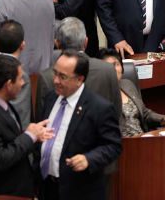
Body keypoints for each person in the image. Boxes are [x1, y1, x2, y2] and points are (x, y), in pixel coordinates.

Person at [38, 50, 122, 200]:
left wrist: (89, 159)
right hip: (48, 188)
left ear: (79, 79)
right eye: (55, 73)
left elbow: (113, 145)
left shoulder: (99, 108)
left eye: (62, 77)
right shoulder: (51, 98)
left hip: (79, 190)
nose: (55, 80)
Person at [0, 54, 54, 198]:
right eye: (20, 78)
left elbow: (8, 139)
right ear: (8, 85)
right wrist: (29, 136)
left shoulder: (0, 103)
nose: (23, 83)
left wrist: (33, 135)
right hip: (1, 195)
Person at [35, 17, 121, 121]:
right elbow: (117, 113)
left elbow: (41, 122)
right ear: (86, 42)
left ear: (57, 43)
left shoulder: (46, 77)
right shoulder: (108, 70)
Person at [99, 48, 165, 137]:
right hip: (121, 143)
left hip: (142, 138)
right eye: (108, 66)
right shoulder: (98, 94)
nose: (113, 69)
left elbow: (144, 114)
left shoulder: (127, 84)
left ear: (122, 67)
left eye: (116, 64)